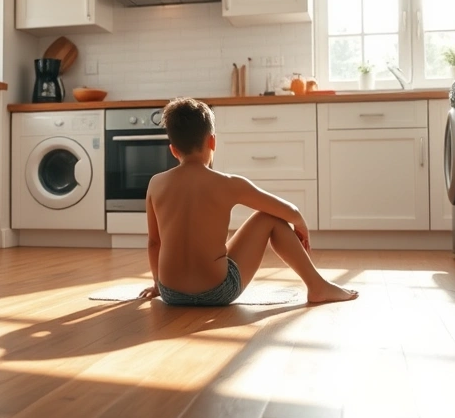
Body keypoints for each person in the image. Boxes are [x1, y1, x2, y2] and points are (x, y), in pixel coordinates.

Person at [139, 97, 359, 306]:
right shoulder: (228, 183)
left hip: (171, 293)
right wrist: (301, 225)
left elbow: (154, 243)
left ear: (173, 149)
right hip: (218, 292)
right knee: (270, 217)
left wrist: (159, 285)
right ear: (212, 141)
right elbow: (289, 211)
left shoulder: (156, 184)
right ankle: (317, 285)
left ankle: (318, 286)